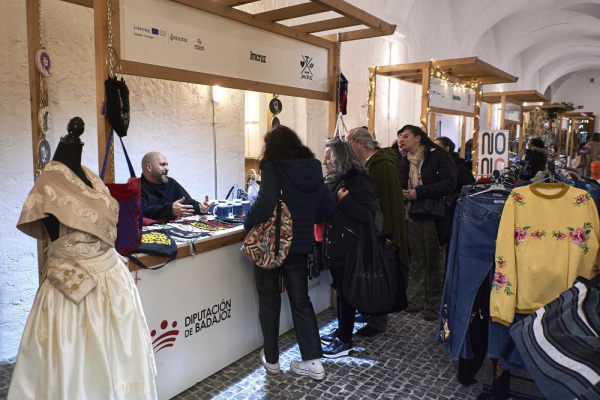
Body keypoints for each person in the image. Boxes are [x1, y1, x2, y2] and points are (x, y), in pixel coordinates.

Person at [9, 118, 157, 399]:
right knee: (78, 370)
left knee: (121, 362)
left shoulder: (91, 176)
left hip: (114, 281)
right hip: (73, 289)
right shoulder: (48, 185)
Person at [244, 126, 335, 380]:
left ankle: (272, 360)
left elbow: (263, 204)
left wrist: (247, 223)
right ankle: (313, 362)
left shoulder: (273, 166)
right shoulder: (313, 168)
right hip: (300, 247)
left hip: (272, 247)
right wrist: (304, 222)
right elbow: (328, 207)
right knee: (301, 301)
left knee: (270, 302)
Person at [345, 127, 409, 337]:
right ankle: (371, 311)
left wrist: (382, 233)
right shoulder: (372, 164)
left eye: (349, 143)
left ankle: (378, 320)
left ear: (360, 143)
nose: (347, 148)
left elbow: (383, 203)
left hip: (382, 232)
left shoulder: (380, 166)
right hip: (376, 229)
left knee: (380, 273)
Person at [319, 138, 379, 357]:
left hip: (350, 247)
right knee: (342, 292)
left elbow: (367, 214)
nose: (324, 162)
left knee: (346, 293)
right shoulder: (336, 180)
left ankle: (345, 340)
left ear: (339, 158)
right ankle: (342, 331)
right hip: (337, 245)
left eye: (328, 158)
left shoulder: (358, 180)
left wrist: (345, 202)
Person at [398, 125, 456, 321]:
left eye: (405, 136)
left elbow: (449, 183)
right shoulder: (403, 160)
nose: (401, 140)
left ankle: (433, 304)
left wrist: (419, 192)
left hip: (433, 215)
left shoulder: (436, 156)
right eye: (400, 136)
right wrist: (403, 193)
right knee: (417, 257)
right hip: (411, 214)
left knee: (434, 259)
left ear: (418, 139)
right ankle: (414, 300)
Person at [141, 151, 211, 221]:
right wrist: (170, 210)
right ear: (149, 168)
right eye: (162, 165)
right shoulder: (136, 187)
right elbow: (142, 210)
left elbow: (187, 202)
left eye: (167, 165)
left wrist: (200, 208)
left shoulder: (170, 182)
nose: (167, 168)